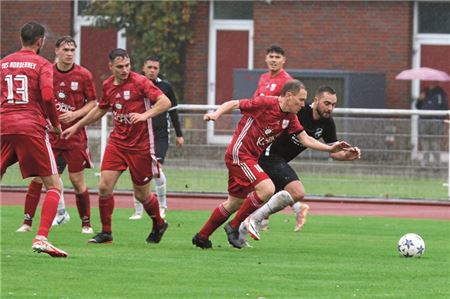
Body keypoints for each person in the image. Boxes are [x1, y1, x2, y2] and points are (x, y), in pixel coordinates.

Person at [192, 80, 353, 249]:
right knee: (267, 188)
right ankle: (234, 226)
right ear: (289, 96)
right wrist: (216, 115)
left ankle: (202, 236)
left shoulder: (290, 117)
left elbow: (305, 139)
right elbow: (234, 103)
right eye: (300, 99)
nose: (303, 104)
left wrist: (330, 148)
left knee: (235, 203)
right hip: (239, 153)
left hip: (251, 158)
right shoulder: (266, 103)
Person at [61, 48, 171, 244]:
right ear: (110, 67)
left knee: (141, 194)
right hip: (118, 143)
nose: (124, 70)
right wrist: (76, 126)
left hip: (141, 146)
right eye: (120, 66)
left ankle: (158, 223)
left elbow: (165, 102)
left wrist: (145, 116)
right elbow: (100, 109)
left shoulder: (140, 82)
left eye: (127, 65)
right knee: (104, 186)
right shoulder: (108, 85)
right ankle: (106, 233)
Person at [239, 86, 361, 243]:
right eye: (327, 103)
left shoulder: (327, 123)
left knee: (245, 200)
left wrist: (346, 155)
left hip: (280, 161)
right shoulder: (299, 111)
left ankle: (238, 233)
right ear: (316, 101)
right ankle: (253, 220)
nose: (330, 108)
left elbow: (333, 150)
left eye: (334, 104)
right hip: (267, 154)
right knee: (296, 192)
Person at [16, 36, 97, 234]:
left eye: (72, 50)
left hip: (74, 136)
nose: (69, 53)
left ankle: (86, 224)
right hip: (50, 135)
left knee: (77, 181)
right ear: (56, 51)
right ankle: (27, 223)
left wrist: (75, 114)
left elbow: (93, 103)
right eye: (65, 49)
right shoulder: (46, 71)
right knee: (38, 178)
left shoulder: (83, 75)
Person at [0, 21, 67, 257]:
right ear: (40, 41)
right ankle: (41, 237)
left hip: (4, 125)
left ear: (21, 39)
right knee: (54, 184)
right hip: (30, 126)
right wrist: (56, 124)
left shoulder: (4, 62)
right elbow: (48, 96)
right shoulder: (43, 64)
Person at [129, 55, 184, 220]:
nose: (152, 70)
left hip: (160, 135)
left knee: (156, 168)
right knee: (137, 170)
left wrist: (179, 134)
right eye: (149, 67)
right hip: (140, 135)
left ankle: (162, 206)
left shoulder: (165, 87)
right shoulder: (135, 84)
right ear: (144, 68)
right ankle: (138, 210)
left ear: (158, 70)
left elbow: (173, 111)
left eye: (155, 68)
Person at [416, 84, 448, 166]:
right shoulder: (424, 92)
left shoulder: (440, 93)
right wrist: (420, 100)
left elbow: (444, 107)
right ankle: (424, 162)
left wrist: (438, 117)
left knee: (435, 143)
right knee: (424, 143)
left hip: (435, 121)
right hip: (424, 120)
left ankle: (436, 163)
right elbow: (418, 106)